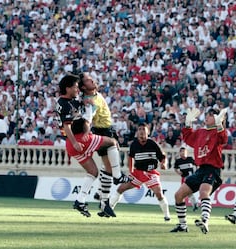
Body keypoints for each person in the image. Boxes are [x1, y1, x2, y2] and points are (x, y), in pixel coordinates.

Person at [55, 74, 118, 217]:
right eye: (75, 87)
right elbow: (67, 126)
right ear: (68, 88)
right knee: (112, 142)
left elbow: (79, 106)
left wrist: (85, 102)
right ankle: (118, 176)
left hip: (71, 145)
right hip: (79, 139)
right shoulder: (67, 104)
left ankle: (80, 200)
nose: (77, 89)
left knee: (93, 172)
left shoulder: (65, 101)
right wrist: (75, 141)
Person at [78, 72, 129, 215]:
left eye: (91, 78)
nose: (92, 80)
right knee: (110, 167)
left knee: (108, 168)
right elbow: (89, 116)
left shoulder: (93, 96)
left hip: (106, 130)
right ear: (83, 86)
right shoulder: (91, 100)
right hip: (103, 131)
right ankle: (105, 196)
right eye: (88, 80)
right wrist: (87, 128)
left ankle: (103, 199)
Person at [170, 108, 227, 234]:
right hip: (200, 170)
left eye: (211, 115)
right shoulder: (201, 132)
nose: (207, 117)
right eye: (207, 115)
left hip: (213, 169)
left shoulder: (218, 132)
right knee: (178, 195)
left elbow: (224, 140)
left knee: (203, 192)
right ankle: (182, 225)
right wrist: (187, 123)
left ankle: (205, 221)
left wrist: (219, 125)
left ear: (219, 119)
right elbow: (188, 138)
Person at [109, 122, 171, 221]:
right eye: (139, 129)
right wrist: (131, 171)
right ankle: (109, 208)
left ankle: (167, 215)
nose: (141, 131)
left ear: (148, 132)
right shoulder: (134, 144)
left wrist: (164, 163)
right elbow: (130, 158)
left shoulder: (152, 143)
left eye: (143, 129)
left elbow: (163, 156)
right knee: (121, 188)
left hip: (150, 173)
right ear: (137, 132)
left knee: (158, 193)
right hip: (138, 173)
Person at [173, 147, 198, 212]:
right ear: (180, 153)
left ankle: (183, 204)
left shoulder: (190, 159)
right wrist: (178, 172)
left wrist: (196, 172)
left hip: (191, 178)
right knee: (186, 192)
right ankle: (194, 204)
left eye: (184, 152)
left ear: (187, 153)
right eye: (182, 152)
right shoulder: (178, 161)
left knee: (187, 192)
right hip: (184, 178)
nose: (183, 153)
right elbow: (175, 168)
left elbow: (197, 165)